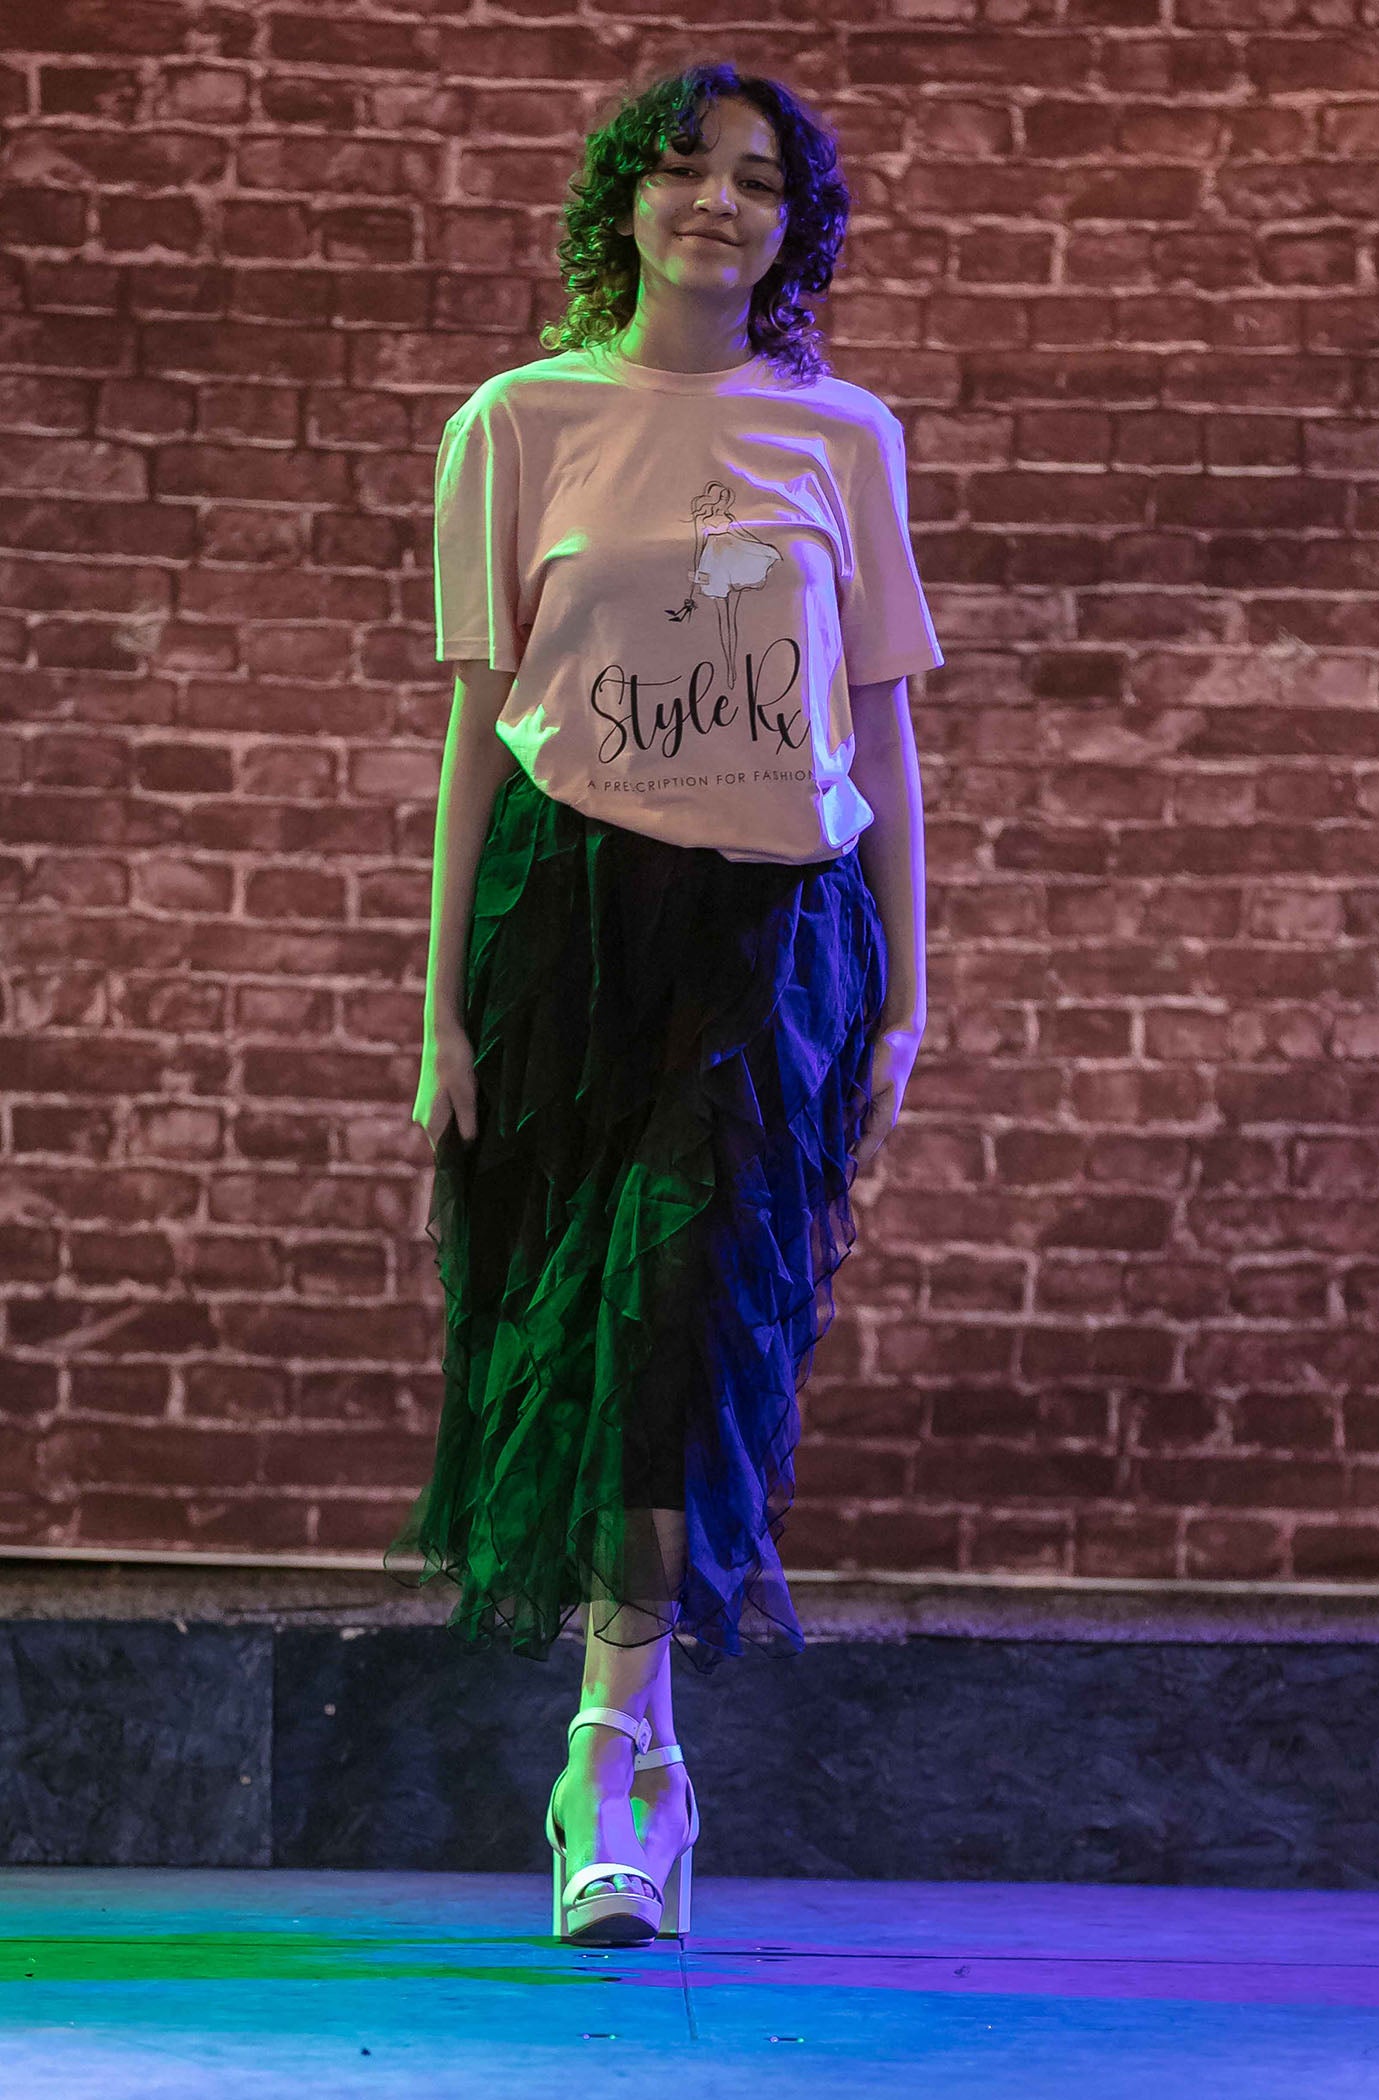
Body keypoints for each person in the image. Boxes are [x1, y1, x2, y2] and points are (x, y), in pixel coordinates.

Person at [386, 60, 943, 1947]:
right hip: (570, 923)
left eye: (761, 182)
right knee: (586, 1320)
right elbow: (478, 730)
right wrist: (441, 1007)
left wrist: (907, 998)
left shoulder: (842, 437)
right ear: (623, 199)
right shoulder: (519, 421)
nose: (722, 202)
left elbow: (882, 733)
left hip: (773, 932)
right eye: (687, 169)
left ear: (796, 227)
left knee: (683, 1309)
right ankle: (634, 1761)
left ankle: (611, 1750)